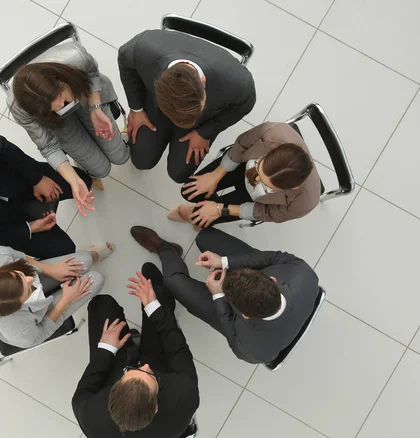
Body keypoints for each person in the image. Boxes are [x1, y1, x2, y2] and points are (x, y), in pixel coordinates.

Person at [130, 226, 319, 364]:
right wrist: (224, 261)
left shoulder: (251, 350)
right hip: (280, 299)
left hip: (228, 317)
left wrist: (218, 296)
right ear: (272, 279)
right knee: (205, 236)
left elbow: (228, 324)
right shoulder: (304, 275)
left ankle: (165, 249)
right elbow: (272, 258)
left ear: (244, 314)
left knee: (172, 280)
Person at [71, 263, 199, 438]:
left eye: (135, 371)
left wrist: (106, 349)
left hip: (118, 371)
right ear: (156, 406)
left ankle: (129, 351)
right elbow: (178, 350)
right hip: (164, 379)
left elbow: (91, 381)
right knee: (157, 293)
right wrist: (153, 308)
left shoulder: (89, 415)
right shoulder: (185, 394)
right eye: (150, 374)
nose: (145, 365)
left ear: (113, 389)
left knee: (101, 305)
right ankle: (160, 300)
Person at [118, 29, 256, 183]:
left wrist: (206, 132)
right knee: (141, 161)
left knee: (179, 174)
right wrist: (136, 109)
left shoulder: (237, 83)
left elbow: (245, 105)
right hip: (157, 106)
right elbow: (124, 61)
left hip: (200, 123)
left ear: (202, 82)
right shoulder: (141, 49)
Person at [8, 40, 129, 203]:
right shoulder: (19, 107)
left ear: (60, 77)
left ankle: (116, 137)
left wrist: (96, 108)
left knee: (120, 156)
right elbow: (47, 145)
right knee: (101, 169)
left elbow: (92, 74)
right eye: (51, 106)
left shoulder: (76, 58)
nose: (60, 106)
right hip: (55, 123)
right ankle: (82, 161)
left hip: (84, 94)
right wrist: (73, 180)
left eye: (58, 97)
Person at [169, 122, 321, 228]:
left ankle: (195, 214)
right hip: (241, 166)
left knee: (198, 218)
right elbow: (242, 144)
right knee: (188, 191)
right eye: (259, 168)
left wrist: (220, 209)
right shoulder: (272, 133)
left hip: (259, 201)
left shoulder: (304, 203)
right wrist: (215, 175)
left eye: (267, 186)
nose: (255, 180)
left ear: (293, 187)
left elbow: (266, 213)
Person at [0, 243, 113, 348]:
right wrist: (66, 300)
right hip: (39, 318)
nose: (30, 280)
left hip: (26, 278)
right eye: (28, 291)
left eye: (20, 275)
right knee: (96, 280)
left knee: (84, 259)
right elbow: (42, 330)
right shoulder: (20, 333)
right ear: (15, 310)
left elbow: (18, 256)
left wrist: (50, 270)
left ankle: (92, 255)